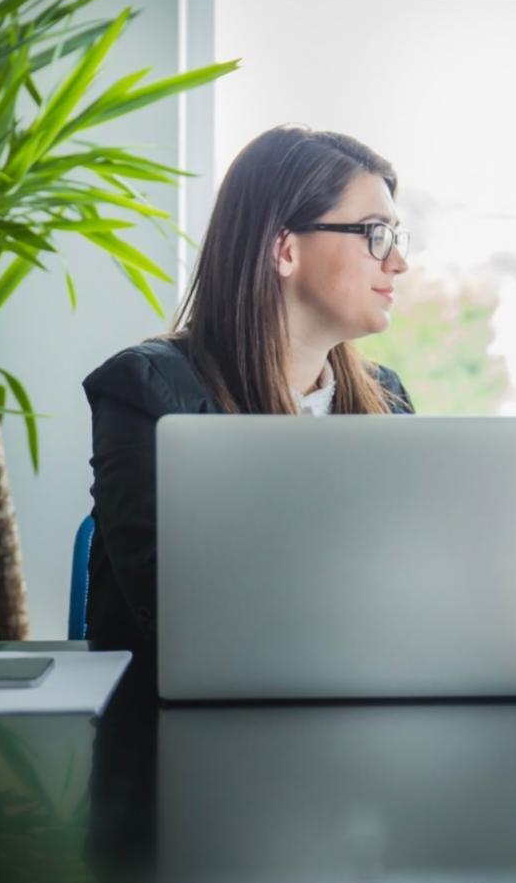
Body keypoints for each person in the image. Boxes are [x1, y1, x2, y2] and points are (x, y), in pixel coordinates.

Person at [82, 125, 414, 649]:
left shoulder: (385, 397)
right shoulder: (148, 391)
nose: (397, 262)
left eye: (395, 237)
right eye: (375, 233)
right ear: (284, 249)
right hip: (183, 717)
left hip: (361, 696)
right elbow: (178, 617)